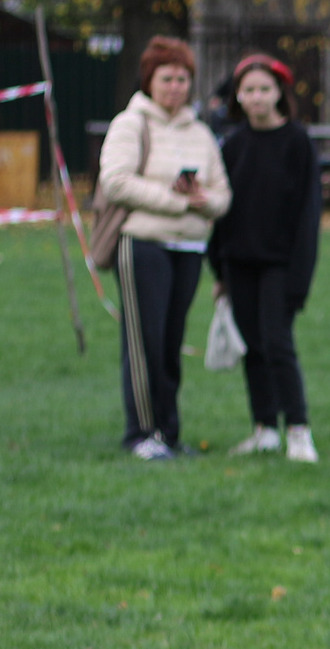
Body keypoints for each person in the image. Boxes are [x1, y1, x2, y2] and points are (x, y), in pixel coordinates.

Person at [98, 38, 231, 461]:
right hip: (143, 244)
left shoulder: (201, 132)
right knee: (144, 342)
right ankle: (141, 434)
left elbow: (223, 193)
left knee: (172, 341)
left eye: (182, 79)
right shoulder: (131, 123)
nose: (175, 87)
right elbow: (115, 182)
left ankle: (169, 434)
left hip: (189, 246)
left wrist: (203, 200)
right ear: (149, 81)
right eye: (166, 78)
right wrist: (175, 200)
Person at [210, 55, 324, 463]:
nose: (256, 97)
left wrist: (299, 276)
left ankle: (298, 429)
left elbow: (307, 216)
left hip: (280, 263)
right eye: (249, 90)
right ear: (238, 96)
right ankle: (264, 428)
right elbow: (222, 212)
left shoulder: (297, 142)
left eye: (264, 89)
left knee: (278, 343)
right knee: (252, 346)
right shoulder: (233, 145)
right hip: (239, 261)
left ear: (279, 93)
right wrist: (219, 270)